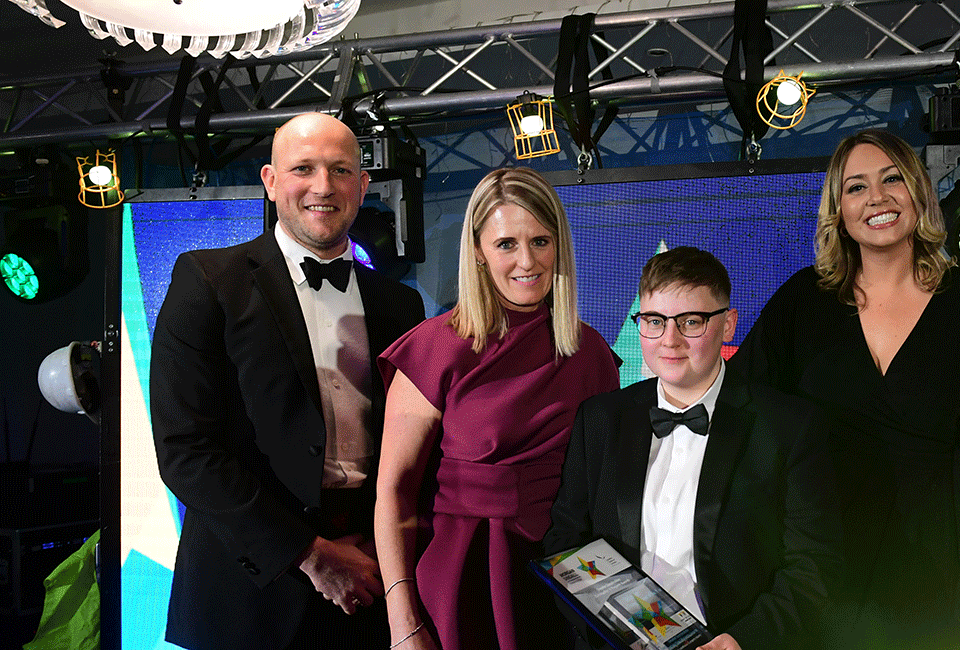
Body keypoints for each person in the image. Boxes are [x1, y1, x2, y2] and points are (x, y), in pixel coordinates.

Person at [150, 112, 426, 650]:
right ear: (271, 181)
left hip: (371, 579)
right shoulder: (207, 281)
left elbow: (412, 446)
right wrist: (311, 554)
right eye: (304, 168)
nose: (323, 186)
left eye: (340, 170)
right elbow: (185, 451)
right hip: (249, 591)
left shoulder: (401, 304)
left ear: (363, 186)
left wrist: (385, 549)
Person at [728, 130, 960, 649]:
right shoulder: (802, 300)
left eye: (892, 179)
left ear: (918, 192)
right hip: (820, 577)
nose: (876, 198)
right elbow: (740, 409)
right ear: (838, 210)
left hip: (940, 579)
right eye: (856, 187)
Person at [373, 166, 620, 650]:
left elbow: (606, 492)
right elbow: (394, 494)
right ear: (478, 252)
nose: (527, 260)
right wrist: (402, 623)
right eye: (507, 244)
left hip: (567, 578)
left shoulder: (590, 353)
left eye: (540, 241)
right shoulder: (435, 348)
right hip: (464, 579)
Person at [546, 246, 840, 650]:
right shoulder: (599, 418)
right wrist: (605, 631)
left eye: (690, 322)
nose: (670, 340)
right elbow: (567, 541)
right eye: (655, 321)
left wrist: (741, 641)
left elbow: (815, 567)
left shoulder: (790, 427)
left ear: (728, 324)